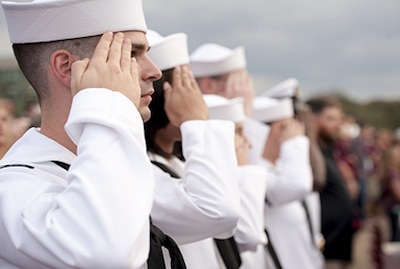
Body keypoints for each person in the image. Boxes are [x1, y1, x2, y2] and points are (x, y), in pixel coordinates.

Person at [0, 0, 162, 268]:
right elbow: (105, 250)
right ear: (66, 67)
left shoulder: (115, 163)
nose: (154, 71)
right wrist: (106, 105)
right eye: (131, 54)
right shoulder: (11, 189)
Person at [145, 30, 241, 269]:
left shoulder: (178, 162)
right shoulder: (143, 168)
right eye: (184, 87)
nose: (196, 99)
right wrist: (194, 121)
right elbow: (219, 212)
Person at [306, 96, 355, 269]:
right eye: (330, 119)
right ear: (313, 121)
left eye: (339, 119)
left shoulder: (328, 151)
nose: (338, 125)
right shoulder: (310, 153)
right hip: (325, 248)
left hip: (339, 245)